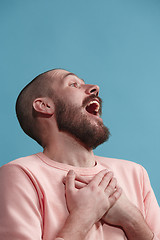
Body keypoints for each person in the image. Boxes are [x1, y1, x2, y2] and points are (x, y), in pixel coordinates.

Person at [0, 68, 159, 240]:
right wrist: (83, 216)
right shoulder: (20, 174)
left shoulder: (135, 174)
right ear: (44, 106)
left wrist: (133, 219)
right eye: (74, 84)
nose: (95, 88)